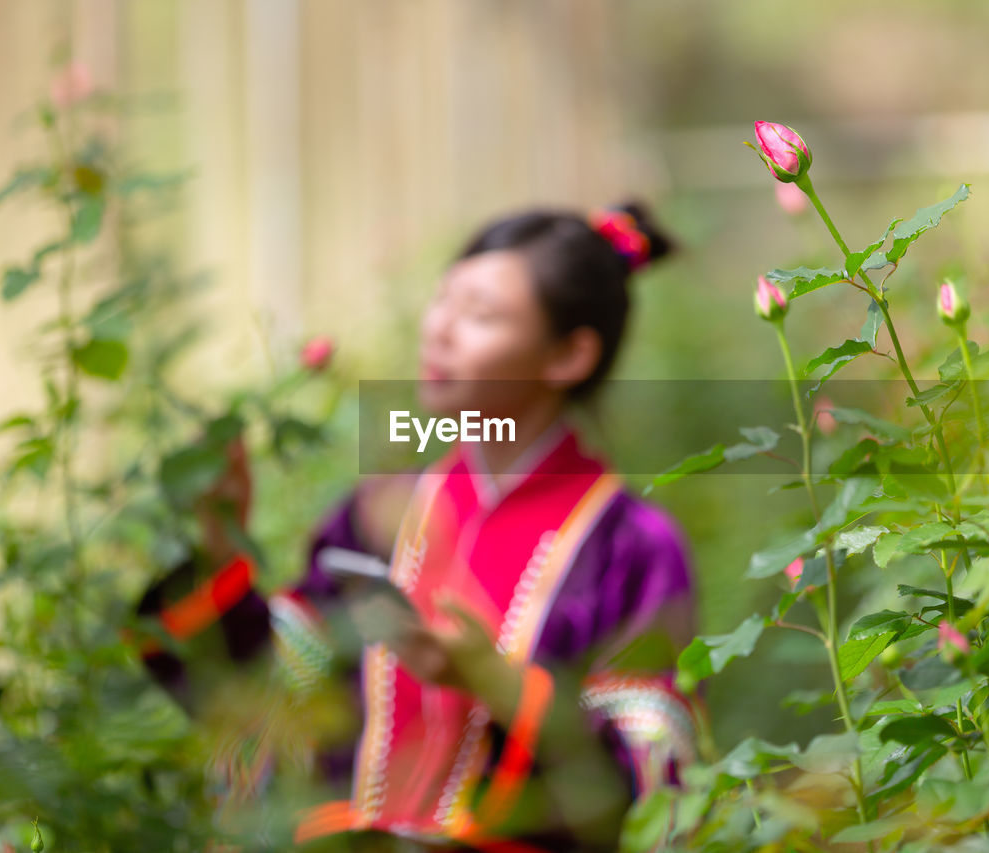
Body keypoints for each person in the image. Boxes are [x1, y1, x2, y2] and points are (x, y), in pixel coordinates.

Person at [132, 201, 700, 851]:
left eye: (480, 316)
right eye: (441, 301)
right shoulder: (376, 515)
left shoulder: (630, 546)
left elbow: (657, 777)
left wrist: (499, 681)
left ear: (570, 354)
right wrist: (219, 539)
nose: (439, 331)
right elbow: (267, 697)